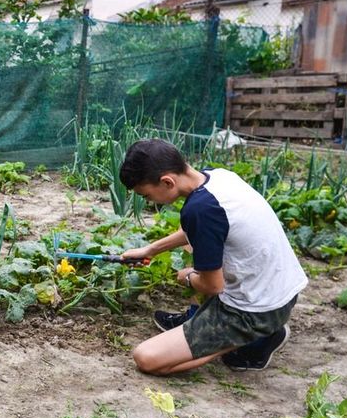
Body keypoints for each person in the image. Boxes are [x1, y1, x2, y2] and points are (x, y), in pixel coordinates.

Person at [118, 139, 307, 376]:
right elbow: (197, 232)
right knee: (194, 247)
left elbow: (213, 285)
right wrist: (150, 250)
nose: (147, 200)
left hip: (256, 311)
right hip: (282, 291)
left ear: (167, 181)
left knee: (146, 358)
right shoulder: (217, 177)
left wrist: (188, 278)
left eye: (146, 195)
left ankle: (253, 339)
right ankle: (204, 321)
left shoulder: (200, 210)